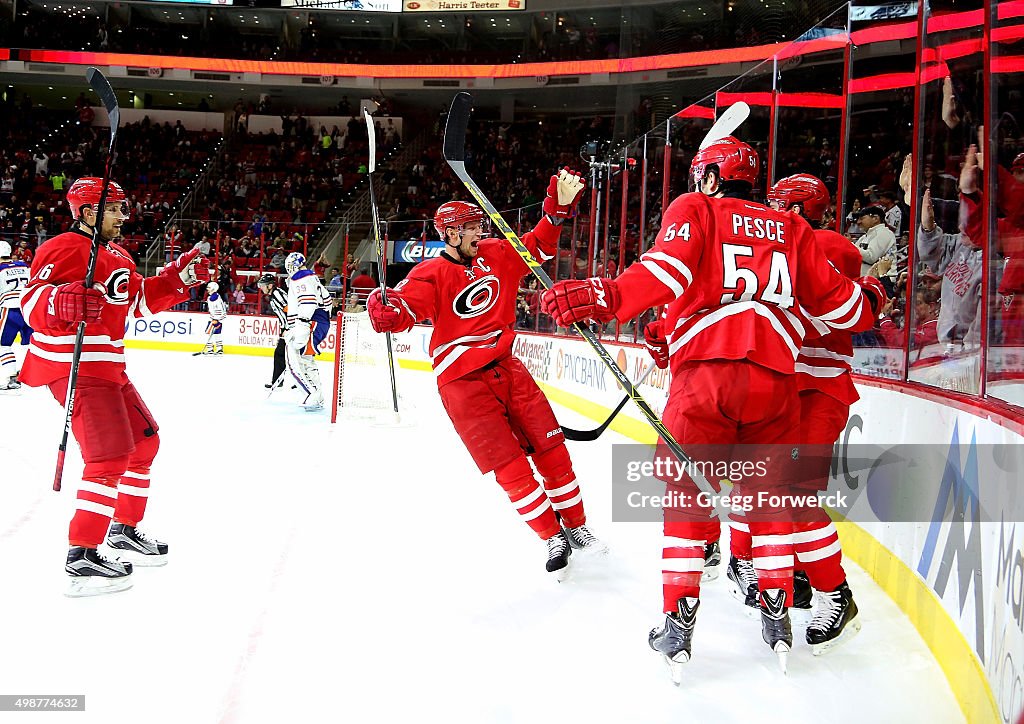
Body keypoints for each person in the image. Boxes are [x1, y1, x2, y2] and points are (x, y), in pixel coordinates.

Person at [540, 139, 883, 674]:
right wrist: (875, 299)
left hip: (710, 381)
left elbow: (665, 274)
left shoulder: (696, 207)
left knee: (686, 495)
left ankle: (679, 620)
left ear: (708, 177)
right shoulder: (792, 232)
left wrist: (603, 296)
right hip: (778, 385)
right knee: (771, 498)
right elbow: (844, 307)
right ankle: (776, 611)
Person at [366, 169, 607, 579]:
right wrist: (386, 309)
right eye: (470, 227)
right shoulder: (430, 273)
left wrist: (557, 211)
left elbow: (536, 248)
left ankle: (578, 527)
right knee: (510, 467)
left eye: (479, 225)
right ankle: (552, 535)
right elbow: (406, 309)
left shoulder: (496, 253)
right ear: (451, 235)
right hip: (463, 386)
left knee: (553, 453)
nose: (479, 232)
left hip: (509, 369)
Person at [18, 177, 211, 597]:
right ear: (88, 212)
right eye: (115, 209)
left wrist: (179, 279)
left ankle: (123, 529)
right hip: (78, 367)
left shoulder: (118, 254)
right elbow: (31, 302)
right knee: (108, 457)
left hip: (109, 367)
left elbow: (136, 302)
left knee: (144, 446)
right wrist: (60, 301)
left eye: (124, 208)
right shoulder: (64, 248)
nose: (124, 216)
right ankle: (82, 554)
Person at [761, 173, 865, 653]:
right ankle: (800, 576)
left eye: (779, 205)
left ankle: (834, 592)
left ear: (799, 209)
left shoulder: (828, 245)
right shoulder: (787, 244)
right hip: (789, 384)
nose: (770, 214)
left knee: (795, 496)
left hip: (819, 387)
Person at [284, 252, 331, 411]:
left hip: (310, 322)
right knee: (306, 358)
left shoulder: (299, 279)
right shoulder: (312, 277)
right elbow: (328, 300)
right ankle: (316, 395)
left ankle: (313, 393)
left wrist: (301, 324)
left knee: (296, 355)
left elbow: (308, 302)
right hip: (317, 321)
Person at [0, 239, 33, 390]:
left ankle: (12, 377)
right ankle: (27, 374)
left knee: (3, 345)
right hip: (27, 308)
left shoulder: (0, 269)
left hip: (10, 309)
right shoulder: (24, 265)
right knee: (29, 344)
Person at [257, 273, 290, 389]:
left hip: (292, 328)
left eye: (263, 285)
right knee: (281, 354)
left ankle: (301, 380)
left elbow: (289, 309)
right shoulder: (273, 295)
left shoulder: (277, 293)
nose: (261, 288)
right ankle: (278, 380)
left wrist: (288, 328)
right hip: (287, 328)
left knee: (291, 355)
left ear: (270, 286)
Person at [203, 281, 227, 356]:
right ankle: (219, 349)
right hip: (215, 318)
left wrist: (216, 319)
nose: (208, 289)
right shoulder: (211, 297)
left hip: (216, 319)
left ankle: (211, 349)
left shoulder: (215, 298)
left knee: (209, 332)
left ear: (213, 288)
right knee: (216, 333)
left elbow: (221, 310)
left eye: (209, 288)